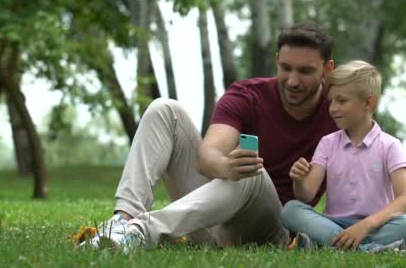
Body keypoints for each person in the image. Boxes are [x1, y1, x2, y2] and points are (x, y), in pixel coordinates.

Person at [87, 21, 338, 252]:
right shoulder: (248, 96)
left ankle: (140, 233)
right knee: (165, 110)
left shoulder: (339, 112)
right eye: (286, 68)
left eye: (305, 71)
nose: (293, 81)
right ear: (276, 61)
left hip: (268, 230)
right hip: (208, 219)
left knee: (252, 171)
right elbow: (207, 157)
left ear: (327, 69)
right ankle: (122, 221)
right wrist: (226, 166)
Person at [281, 60, 406, 252]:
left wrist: (365, 226)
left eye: (341, 101)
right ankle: (370, 249)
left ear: (368, 102)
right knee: (291, 210)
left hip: (374, 226)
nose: (332, 108)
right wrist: (299, 180)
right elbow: (306, 195)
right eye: (331, 101)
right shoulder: (327, 143)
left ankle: (329, 245)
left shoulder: (390, 145)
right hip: (333, 223)